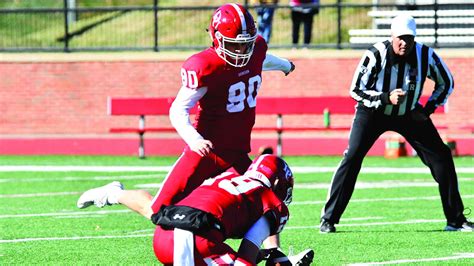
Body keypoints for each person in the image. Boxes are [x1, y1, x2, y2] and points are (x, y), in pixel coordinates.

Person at [319, 14, 473, 233]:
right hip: (373, 112)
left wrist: (428, 110)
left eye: (409, 38)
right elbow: (355, 89)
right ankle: (329, 219)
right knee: (352, 157)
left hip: (409, 113)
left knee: (442, 157)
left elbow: (446, 81)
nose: (404, 43)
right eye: (400, 38)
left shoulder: (424, 54)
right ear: (392, 36)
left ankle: (455, 220)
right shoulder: (375, 54)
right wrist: (385, 97)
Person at [152, 3, 295, 216]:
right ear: (217, 38)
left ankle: (273, 250)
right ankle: (114, 194)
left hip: (236, 149)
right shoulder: (206, 66)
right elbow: (178, 109)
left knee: (265, 199)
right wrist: (194, 140)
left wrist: (285, 65)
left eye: (246, 45)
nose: (241, 51)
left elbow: (262, 58)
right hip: (207, 150)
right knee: (159, 210)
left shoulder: (255, 51)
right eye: (234, 45)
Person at [77, 155, 314, 265]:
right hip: (199, 241)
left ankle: (113, 193)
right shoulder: (268, 199)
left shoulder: (229, 176)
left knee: (154, 209)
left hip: (163, 236)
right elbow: (248, 249)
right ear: (276, 183)